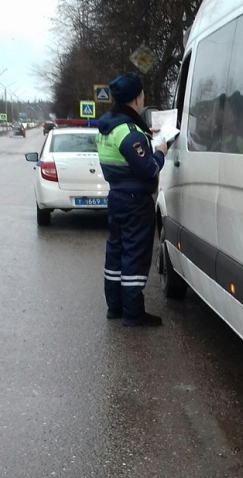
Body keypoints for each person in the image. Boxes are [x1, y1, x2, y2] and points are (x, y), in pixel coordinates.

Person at [96, 72, 169, 327]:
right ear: (137, 98)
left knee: (115, 253)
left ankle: (115, 307)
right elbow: (148, 169)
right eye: (142, 94)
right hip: (136, 200)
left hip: (116, 195)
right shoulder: (129, 132)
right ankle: (133, 313)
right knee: (135, 255)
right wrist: (160, 152)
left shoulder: (107, 128)